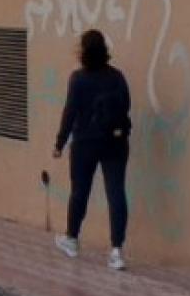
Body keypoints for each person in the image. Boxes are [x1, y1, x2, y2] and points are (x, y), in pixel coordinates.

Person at [51, 28, 131, 270]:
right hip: (115, 143)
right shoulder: (117, 77)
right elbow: (125, 107)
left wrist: (59, 143)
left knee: (79, 192)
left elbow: (70, 112)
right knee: (116, 193)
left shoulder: (78, 79)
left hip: (85, 143)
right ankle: (116, 252)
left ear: (85, 52)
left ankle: (72, 239)